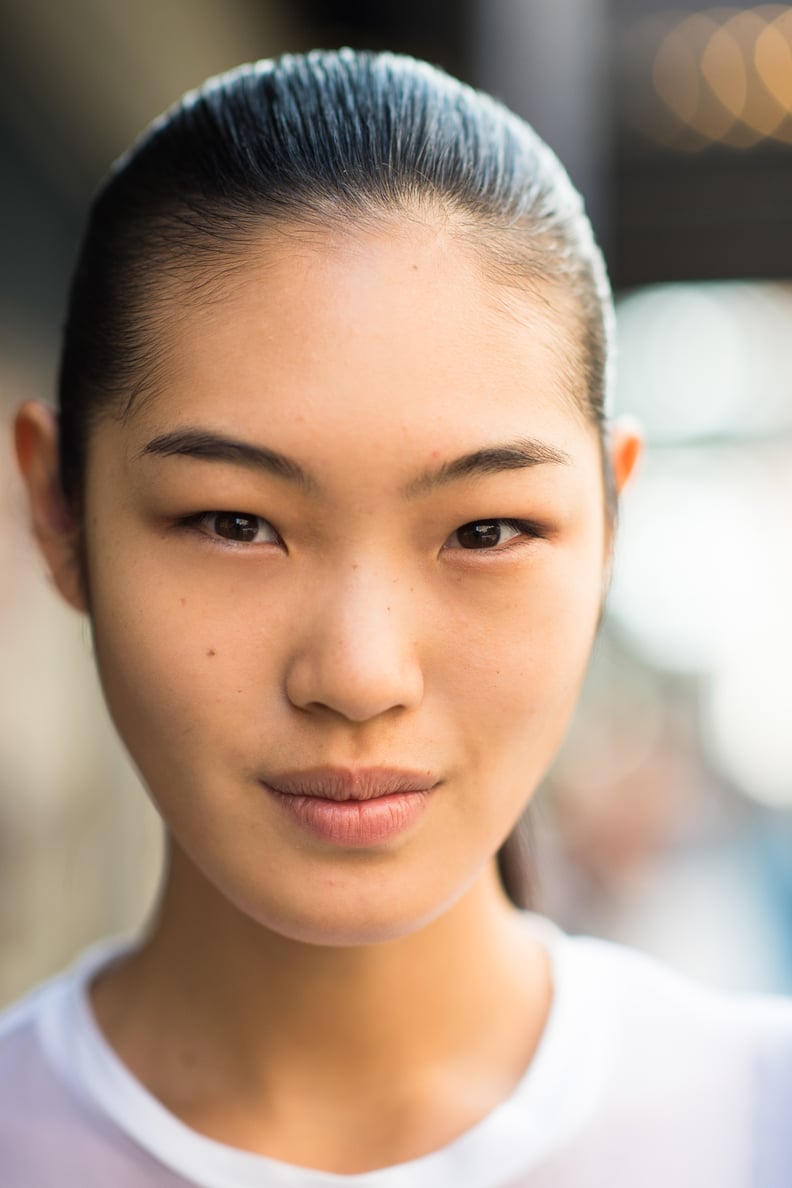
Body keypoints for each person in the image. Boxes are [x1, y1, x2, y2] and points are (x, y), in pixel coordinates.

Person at [2, 48, 789, 1187]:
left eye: (483, 532)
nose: (361, 676)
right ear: (59, 513)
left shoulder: (761, 1125)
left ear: (612, 524)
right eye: (234, 523)